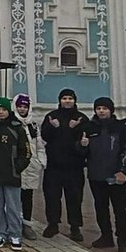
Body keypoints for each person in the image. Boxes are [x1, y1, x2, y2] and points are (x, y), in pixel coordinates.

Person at [78, 97, 126, 252]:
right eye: (98, 108)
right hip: (96, 175)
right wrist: (82, 146)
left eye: (104, 108)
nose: (101, 111)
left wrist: (124, 170)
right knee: (101, 207)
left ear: (111, 110)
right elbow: (83, 153)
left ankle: (123, 241)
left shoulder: (121, 128)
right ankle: (106, 236)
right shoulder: (89, 128)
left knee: (120, 209)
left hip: (116, 175)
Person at [0, 98, 32, 252]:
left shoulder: (17, 129)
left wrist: (17, 168)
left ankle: (14, 233)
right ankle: (0, 232)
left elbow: (26, 152)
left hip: (11, 176)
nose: (0, 112)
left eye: (3, 109)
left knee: (13, 206)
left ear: (9, 110)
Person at [40, 88, 89, 242]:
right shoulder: (51, 117)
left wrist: (71, 128)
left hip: (74, 166)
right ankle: (53, 224)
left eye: (70, 98)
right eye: (64, 98)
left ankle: (75, 227)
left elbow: (85, 141)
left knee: (74, 198)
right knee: (52, 196)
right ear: (60, 100)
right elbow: (44, 136)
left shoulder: (81, 118)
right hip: (54, 166)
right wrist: (54, 127)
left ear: (75, 100)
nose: (67, 101)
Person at [13, 94, 46, 242]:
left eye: (25, 106)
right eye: (19, 106)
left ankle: (27, 224)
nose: (22, 109)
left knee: (27, 196)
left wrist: (41, 160)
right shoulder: (11, 123)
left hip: (31, 165)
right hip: (15, 165)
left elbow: (39, 144)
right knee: (13, 196)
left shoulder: (33, 125)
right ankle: (13, 223)